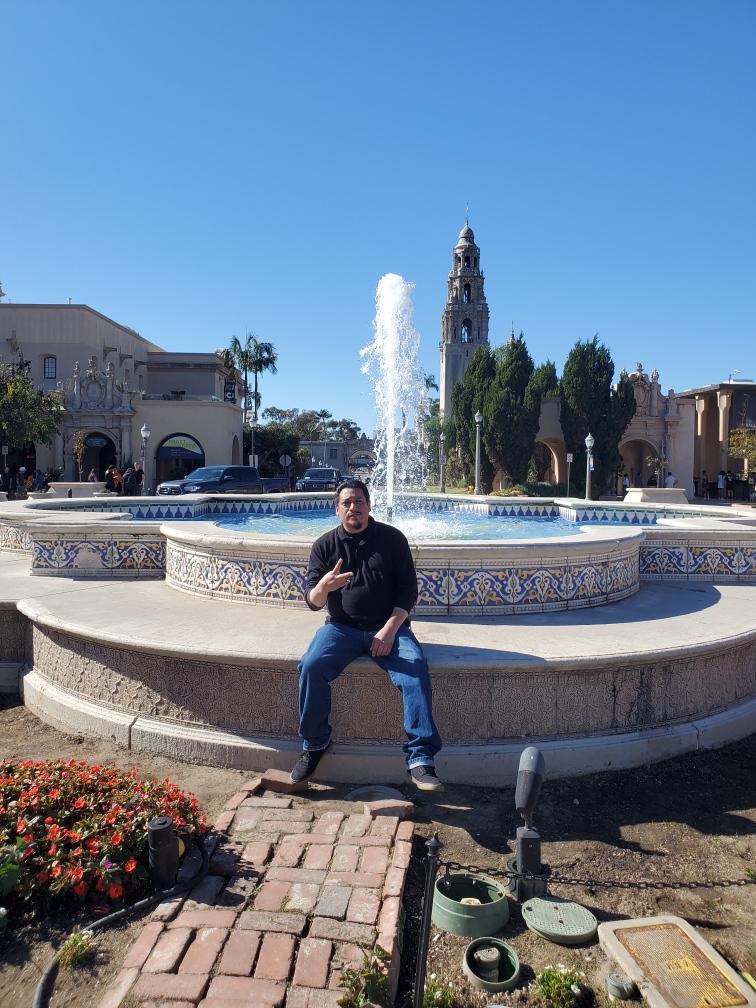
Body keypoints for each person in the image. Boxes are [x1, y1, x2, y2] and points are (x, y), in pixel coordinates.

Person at [292, 478, 443, 792]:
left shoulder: (393, 539)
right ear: (337, 510)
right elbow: (313, 601)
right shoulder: (324, 546)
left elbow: (408, 593)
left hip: (390, 627)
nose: (353, 508)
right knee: (311, 666)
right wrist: (324, 587)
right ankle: (315, 743)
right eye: (346, 503)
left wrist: (389, 630)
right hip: (340, 628)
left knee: (415, 669)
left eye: (359, 501)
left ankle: (420, 758)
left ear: (369, 506)